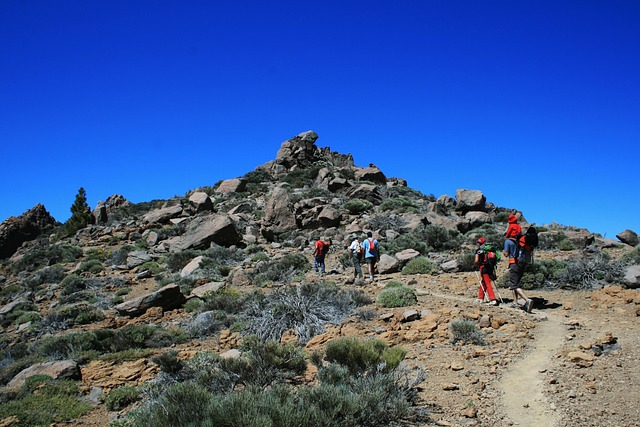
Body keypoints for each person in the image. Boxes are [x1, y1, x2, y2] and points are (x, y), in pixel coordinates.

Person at [503, 214, 533, 312]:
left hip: (514, 263)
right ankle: (515, 302)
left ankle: (527, 300)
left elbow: (506, 254)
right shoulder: (521, 240)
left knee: (514, 284)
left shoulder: (508, 241)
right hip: (522, 263)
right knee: (515, 283)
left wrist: (505, 252)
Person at [474, 237, 498, 306]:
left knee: (487, 283)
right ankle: (480, 298)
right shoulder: (490, 249)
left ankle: (493, 299)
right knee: (483, 282)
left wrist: (475, 265)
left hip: (484, 267)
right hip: (490, 268)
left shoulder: (479, 250)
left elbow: (476, 260)